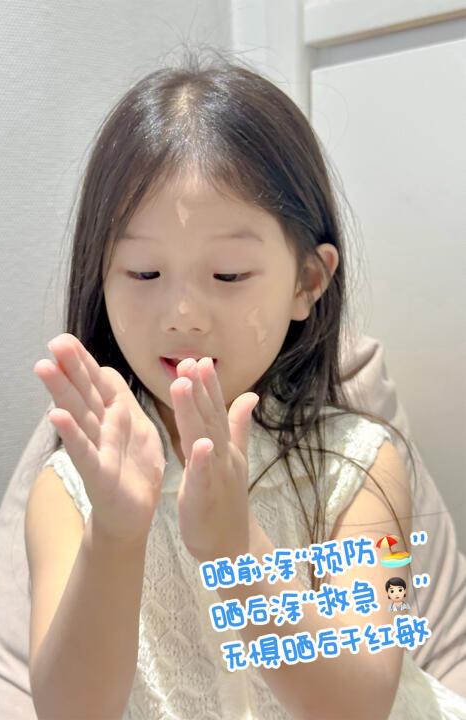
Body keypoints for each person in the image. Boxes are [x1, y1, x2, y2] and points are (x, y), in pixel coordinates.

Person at [26, 52, 466, 719]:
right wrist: (113, 533)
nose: (182, 314)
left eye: (228, 275)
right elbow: (70, 712)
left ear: (307, 282)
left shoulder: (363, 465)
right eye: (144, 273)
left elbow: (360, 704)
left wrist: (237, 550)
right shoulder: (68, 491)